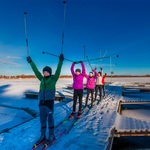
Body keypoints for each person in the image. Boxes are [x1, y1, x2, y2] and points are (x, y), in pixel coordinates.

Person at [27, 54, 64, 146]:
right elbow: (36, 71)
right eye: (44, 72)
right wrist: (31, 62)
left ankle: (51, 134)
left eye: (47, 72)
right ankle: (43, 135)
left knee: (50, 120)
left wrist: (60, 61)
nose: (45, 73)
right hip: (41, 103)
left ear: (50, 73)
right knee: (42, 120)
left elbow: (58, 70)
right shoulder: (42, 79)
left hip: (49, 103)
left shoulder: (53, 79)